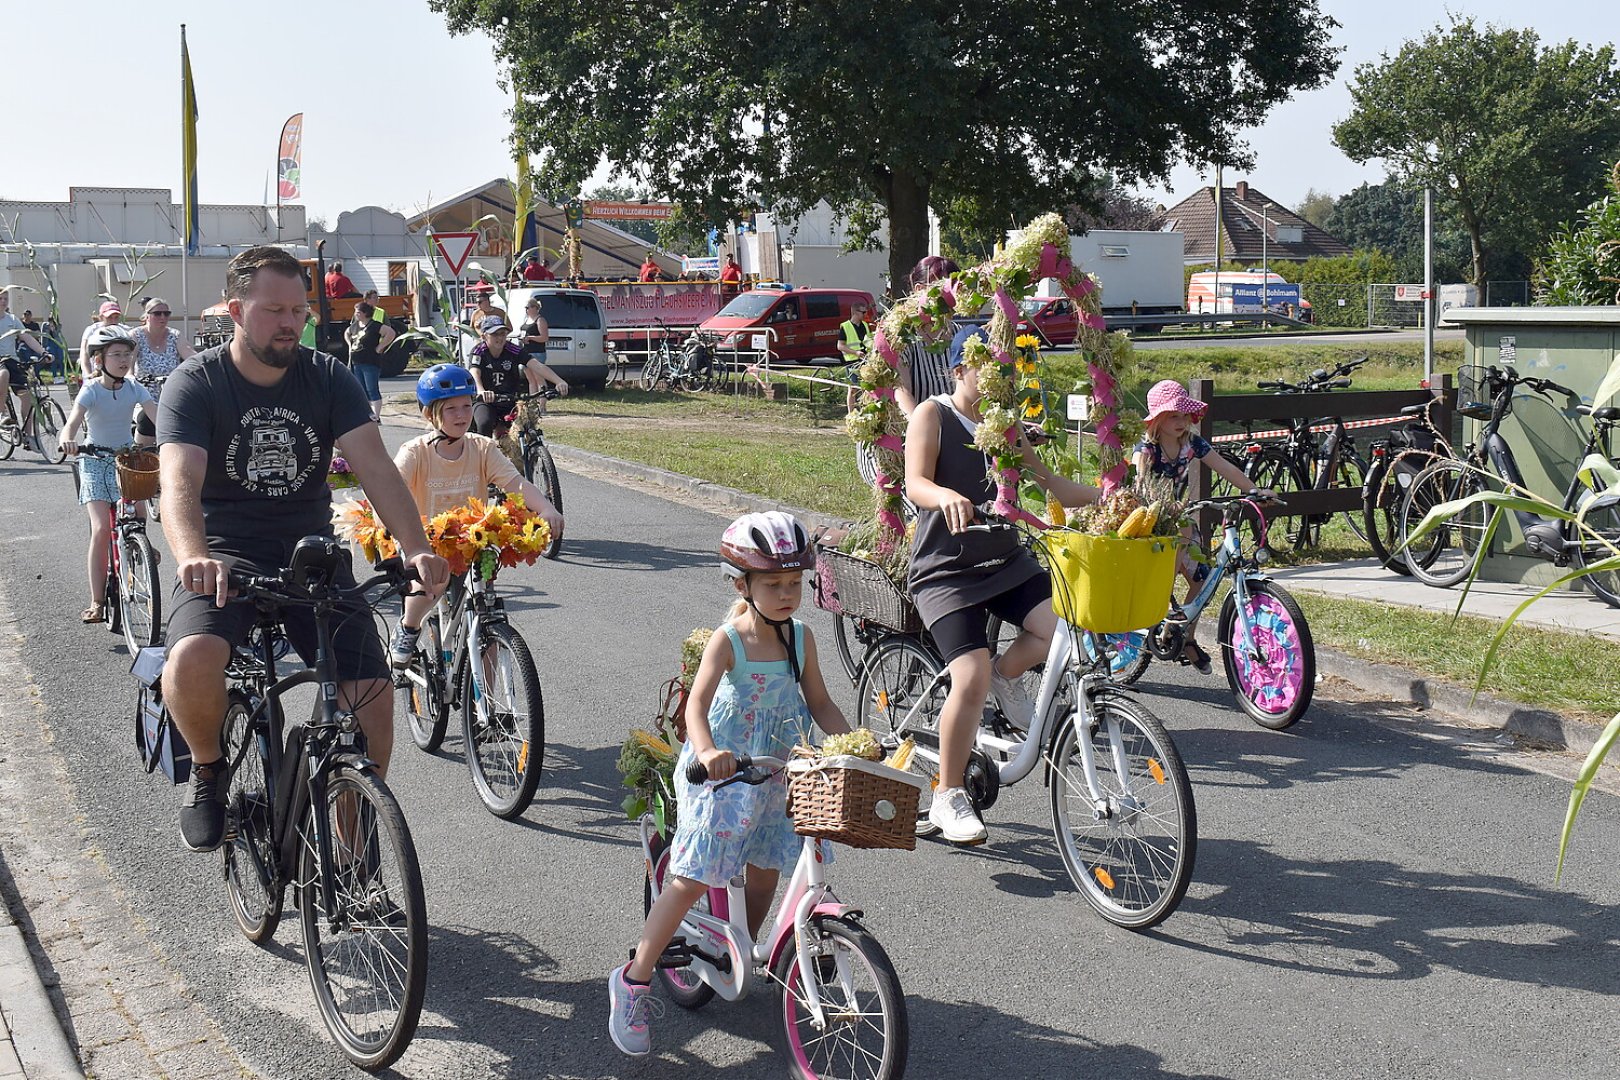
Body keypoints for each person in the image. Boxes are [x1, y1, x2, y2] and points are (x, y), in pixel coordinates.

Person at [156, 246, 449, 853]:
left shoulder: (328, 376)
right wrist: (192, 554)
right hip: (225, 553)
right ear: (236, 310)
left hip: (311, 555)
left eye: (298, 310)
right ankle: (208, 769)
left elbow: (377, 470)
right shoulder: (196, 383)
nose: (290, 323)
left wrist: (416, 547)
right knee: (191, 660)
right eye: (274, 310)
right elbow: (177, 485)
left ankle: (354, 844)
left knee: (369, 691)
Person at [608, 512, 852, 1058]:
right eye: (775, 584)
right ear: (742, 585)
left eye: (795, 583)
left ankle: (739, 943)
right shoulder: (730, 640)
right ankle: (635, 978)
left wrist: (854, 741)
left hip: (779, 773)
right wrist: (709, 752)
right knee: (691, 879)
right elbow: (696, 705)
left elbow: (820, 703)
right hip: (722, 776)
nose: (789, 594)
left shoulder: (802, 639)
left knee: (766, 873)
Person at [903, 325, 1100, 845]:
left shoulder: (1004, 425)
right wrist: (943, 495)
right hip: (946, 571)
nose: (997, 379)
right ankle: (947, 795)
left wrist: (1109, 496)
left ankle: (1007, 675)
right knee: (968, 675)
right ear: (959, 369)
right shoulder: (934, 414)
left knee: (1061, 627)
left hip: (1005, 559)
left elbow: (1050, 484)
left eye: (1003, 370)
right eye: (986, 367)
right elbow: (915, 481)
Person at [388, 364, 564, 667]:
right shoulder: (415, 452)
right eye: (450, 409)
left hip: (473, 541)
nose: (461, 415)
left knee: (487, 613)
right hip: (426, 542)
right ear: (429, 414)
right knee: (430, 585)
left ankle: (492, 707)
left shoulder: (482, 448)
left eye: (467, 406)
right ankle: (408, 628)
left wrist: (546, 507)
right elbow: (390, 491)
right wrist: (395, 530)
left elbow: (516, 484)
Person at [1132, 379, 1264, 675]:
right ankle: (1159, 613)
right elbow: (1139, 486)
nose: (1182, 422)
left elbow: (1224, 467)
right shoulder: (1146, 449)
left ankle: (1184, 636)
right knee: (1169, 564)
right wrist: (1159, 507)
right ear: (1158, 420)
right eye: (1173, 416)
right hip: (1149, 524)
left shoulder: (1190, 443)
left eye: (1184, 415)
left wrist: (1254, 490)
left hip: (1179, 521)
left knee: (1202, 580)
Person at [59, 326, 158, 623]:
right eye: (116, 354)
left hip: (126, 459)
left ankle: (140, 547)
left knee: (138, 513)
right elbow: (72, 423)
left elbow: (159, 416)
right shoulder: (91, 390)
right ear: (100, 359)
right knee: (101, 529)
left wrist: (175, 438)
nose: (123, 359)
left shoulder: (134, 387)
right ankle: (97, 600)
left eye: (127, 353)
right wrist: (68, 440)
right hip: (93, 460)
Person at [467, 315, 568, 439]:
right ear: (484, 336)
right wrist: (481, 390)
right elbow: (474, 372)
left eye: (503, 333)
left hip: (510, 400)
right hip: (486, 401)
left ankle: (529, 454)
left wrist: (559, 381)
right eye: (495, 334)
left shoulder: (513, 350)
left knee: (527, 426)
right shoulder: (479, 351)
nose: (500, 338)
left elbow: (536, 365)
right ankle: (483, 456)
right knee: (484, 423)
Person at [893, 255, 959, 417]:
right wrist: (921, 427)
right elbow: (901, 390)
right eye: (942, 288)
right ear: (919, 290)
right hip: (917, 431)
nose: (950, 295)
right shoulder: (903, 337)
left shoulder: (959, 334)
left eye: (954, 288)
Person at [130, 297, 196, 445]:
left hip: (170, 393)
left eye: (166, 314)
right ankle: (142, 456)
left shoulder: (175, 335)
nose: (163, 317)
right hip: (144, 395)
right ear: (147, 316)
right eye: (157, 313)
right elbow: (129, 365)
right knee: (146, 420)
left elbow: (191, 357)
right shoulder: (136, 336)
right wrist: (130, 379)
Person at [0, 289, 50, 444]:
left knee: (26, 395)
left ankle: (28, 436)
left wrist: (43, 352)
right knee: (3, 375)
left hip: (11, 360)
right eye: (0, 298)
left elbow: (26, 337)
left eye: (5, 299)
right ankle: (2, 413)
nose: (3, 301)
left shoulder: (12, 319)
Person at [344, 302, 396, 423]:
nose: (355, 314)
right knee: (361, 389)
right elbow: (347, 332)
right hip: (357, 362)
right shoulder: (355, 325)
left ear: (365, 313)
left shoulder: (375, 325)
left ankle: (376, 416)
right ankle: (366, 414)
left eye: (358, 312)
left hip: (370, 361)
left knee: (371, 389)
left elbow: (391, 333)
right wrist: (349, 345)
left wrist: (380, 347)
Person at [78, 301, 124, 378]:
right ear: (101, 317)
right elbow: (84, 355)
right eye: (109, 317)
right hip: (95, 374)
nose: (113, 321)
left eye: (116, 317)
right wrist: (88, 375)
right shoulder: (91, 330)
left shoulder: (124, 331)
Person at [516, 296, 551, 382]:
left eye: (529, 307)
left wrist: (530, 338)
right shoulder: (526, 319)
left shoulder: (540, 320)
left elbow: (544, 338)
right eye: (526, 308)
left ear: (535, 307)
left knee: (539, 379)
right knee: (531, 380)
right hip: (526, 352)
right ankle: (534, 395)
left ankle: (542, 395)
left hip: (537, 353)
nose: (527, 310)